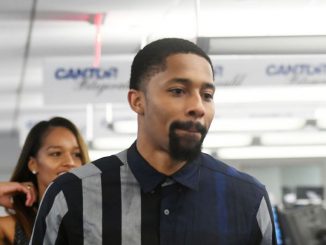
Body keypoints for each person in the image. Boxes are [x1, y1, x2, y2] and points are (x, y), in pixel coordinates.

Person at [29, 38, 276, 245]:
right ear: (137, 101)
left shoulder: (248, 198)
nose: (197, 107)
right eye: (178, 91)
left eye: (207, 95)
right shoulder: (71, 195)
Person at [0, 117, 90, 245]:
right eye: (56, 153)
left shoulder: (99, 221)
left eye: (77, 154)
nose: (70, 162)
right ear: (33, 164)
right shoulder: (10, 228)